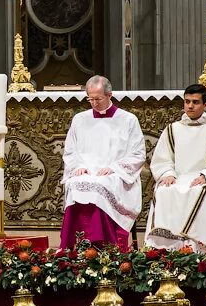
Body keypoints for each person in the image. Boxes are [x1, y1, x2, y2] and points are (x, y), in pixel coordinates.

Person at [145, 84, 206, 251]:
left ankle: (198, 247)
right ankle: (165, 247)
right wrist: (167, 173)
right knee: (163, 190)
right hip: (178, 178)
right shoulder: (173, 129)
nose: (190, 106)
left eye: (195, 102)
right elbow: (162, 160)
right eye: (187, 101)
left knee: (197, 192)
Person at [60, 75, 145, 252]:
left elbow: (137, 154)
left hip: (115, 175)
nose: (94, 103)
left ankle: (105, 245)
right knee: (76, 184)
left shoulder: (128, 120)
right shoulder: (80, 119)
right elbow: (70, 151)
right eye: (90, 99)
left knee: (100, 186)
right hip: (87, 173)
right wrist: (77, 167)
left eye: (98, 99)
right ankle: (74, 248)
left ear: (110, 95)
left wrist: (114, 168)